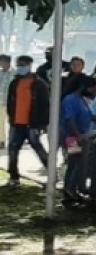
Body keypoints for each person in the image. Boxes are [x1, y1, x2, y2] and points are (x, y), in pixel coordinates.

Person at [5, 55, 49, 188]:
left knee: (38, 148)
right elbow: (10, 102)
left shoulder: (39, 84)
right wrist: (11, 118)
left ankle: (52, 174)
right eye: (19, 65)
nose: (20, 67)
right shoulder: (15, 83)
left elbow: (45, 105)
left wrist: (43, 123)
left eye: (23, 65)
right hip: (16, 123)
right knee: (13, 150)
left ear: (30, 65)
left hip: (32, 123)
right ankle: (14, 177)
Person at [61, 76, 96, 203]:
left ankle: (75, 187)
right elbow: (69, 119)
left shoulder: (82, 100)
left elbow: (89, 116)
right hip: (71, 137)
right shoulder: (70, 100)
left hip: (83, 136)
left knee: (79, 163)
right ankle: (69, 189)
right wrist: (77, 135)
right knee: (74, 162)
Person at [0, 54, 13, 149]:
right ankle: (1, 140)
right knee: (0, 123)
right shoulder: (0, 73)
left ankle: (13, 140)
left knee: (13, 123)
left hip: (11, 102)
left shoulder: (14, 73)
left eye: (2, 62)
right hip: (1, 102)